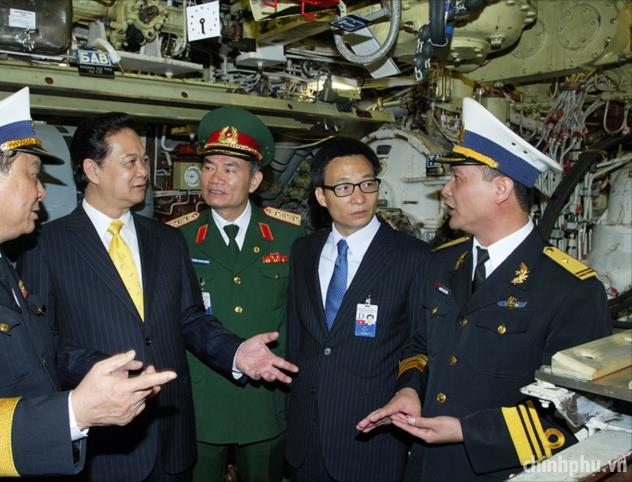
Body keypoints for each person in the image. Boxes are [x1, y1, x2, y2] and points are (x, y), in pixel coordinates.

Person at [17, 112, 298, 482]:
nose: (143, 172)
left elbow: (190, 318)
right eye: (130, 161)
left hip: (171, 438)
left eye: (145, 160)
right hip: (106, 442)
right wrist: (100, 368)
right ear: (92, 169)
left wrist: (235, 352)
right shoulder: (45, 246)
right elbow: (42, 344)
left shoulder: (166, 240)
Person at [357, 98, 611, 481]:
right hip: (424, 467)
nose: (445, 190)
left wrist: (467, 432)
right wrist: (409, 390)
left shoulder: (571, 290)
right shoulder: (440, 263)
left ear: (501, 189)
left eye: (458, 179)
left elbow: (575, 412)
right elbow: (418, 347)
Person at [0, 88, 176, 478]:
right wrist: (76, 412)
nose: (42, 191)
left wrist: (104, 372)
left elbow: (43, 352)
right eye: (33, 175)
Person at [167, 107, 303, 482]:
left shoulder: (290, 236)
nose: (215, 178)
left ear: (255, 180)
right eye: (209, 166)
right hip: (202, 400)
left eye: (230, 168)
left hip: (265, 401)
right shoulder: (176, 237)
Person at [285, 137, 430, 482]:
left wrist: (410, 389)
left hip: (372, 434)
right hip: (307, 435)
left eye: (367, 184)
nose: (359, 197)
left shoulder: (413, 257)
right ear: (321, 196)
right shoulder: (303, 251)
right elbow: (297, 339)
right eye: (344, 187)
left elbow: (421, 341)